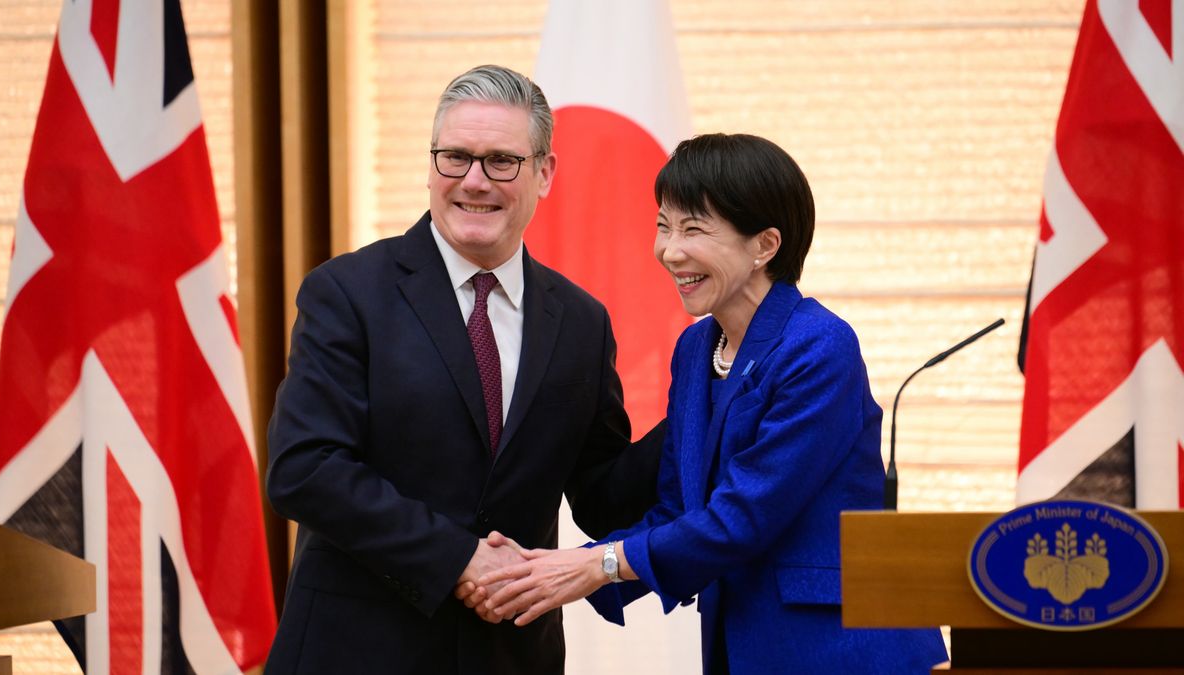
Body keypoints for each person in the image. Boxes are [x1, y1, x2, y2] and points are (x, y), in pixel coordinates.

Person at [472, 134, 949, 674]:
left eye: (694, 229)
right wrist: (548, 569)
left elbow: (743, 516)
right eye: (663, 225)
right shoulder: (697, 349)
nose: (670, 250)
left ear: (765, 245)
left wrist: (594, 566)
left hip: (841, 646)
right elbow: (679, 509)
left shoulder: (819, 346)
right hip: (740, 640)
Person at [263, 64, 662, 674]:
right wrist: (458, 558)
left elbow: (604, 498)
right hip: (355, 651)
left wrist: (708, 387)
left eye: (501, 161)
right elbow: (304, 469)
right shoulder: (347, 293)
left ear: (544, 172)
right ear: (430, 166)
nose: (474, 181)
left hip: (510, 656)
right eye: (455, 158)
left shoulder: (582, 321)